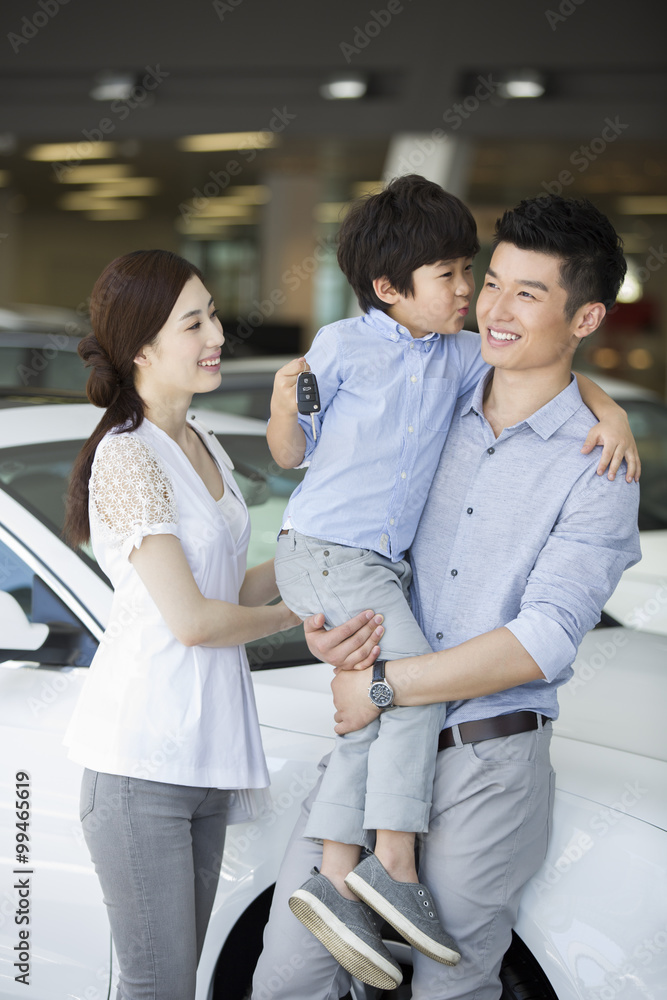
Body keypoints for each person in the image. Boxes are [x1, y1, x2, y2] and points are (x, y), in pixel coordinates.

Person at [260, 180, 641, 992]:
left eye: (524, 292)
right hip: (370, 741)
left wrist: (385, 686)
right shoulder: (436, 386)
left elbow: (542, 638)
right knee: (289, 977)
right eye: (489, 280)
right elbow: (339, 534)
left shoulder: (599, 471)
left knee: (449, 984)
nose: (491, 306)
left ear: (584, 318)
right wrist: (328, 631)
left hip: (483, 761)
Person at [62, 250, 299, 1000]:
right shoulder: (128, 458)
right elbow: (194, 620)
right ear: (140, 348)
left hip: (206, 762)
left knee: (177, 984)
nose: (215, 334)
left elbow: (233, 585)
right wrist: (301, 615)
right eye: (192, 322)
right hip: (140, 767)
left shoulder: (205, 446)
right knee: (157, 984)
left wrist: (317, 562)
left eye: (213, 315)